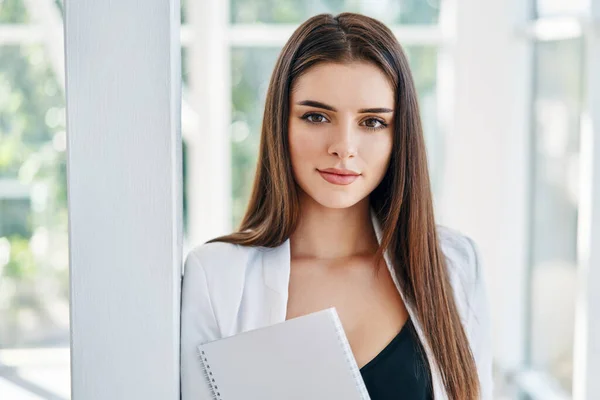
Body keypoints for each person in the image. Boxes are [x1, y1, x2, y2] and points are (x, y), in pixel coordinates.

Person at [180, 12, 492, 400]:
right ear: (281, 124)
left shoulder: (453, 263)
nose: (343, 146)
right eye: (316, 116)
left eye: (372, 122)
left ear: (400, 136)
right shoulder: (216, 278)